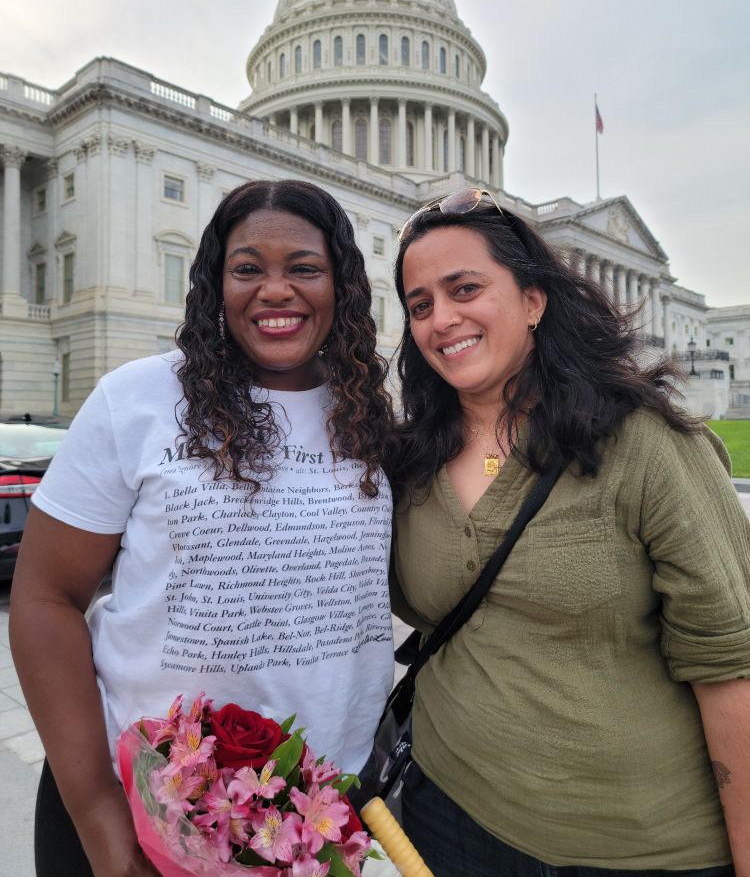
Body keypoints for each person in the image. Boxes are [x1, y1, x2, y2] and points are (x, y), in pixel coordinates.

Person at [10, 179, 395, 877]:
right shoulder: (140, 398)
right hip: (140, 812)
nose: (275, 289)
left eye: (304, 268)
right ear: (216, 283)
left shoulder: (369, 415)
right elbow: (44, 599)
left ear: (342, 283)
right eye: (248, 268)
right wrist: (97, 811)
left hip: (314, 821)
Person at [389, 187, 750, 877]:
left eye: (466, 288)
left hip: (634, 852)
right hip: (445, 818)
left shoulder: (646, 445)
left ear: (533, 300)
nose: (442, 319)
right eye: (421, 304)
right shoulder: (411, 459)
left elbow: (732, 667)